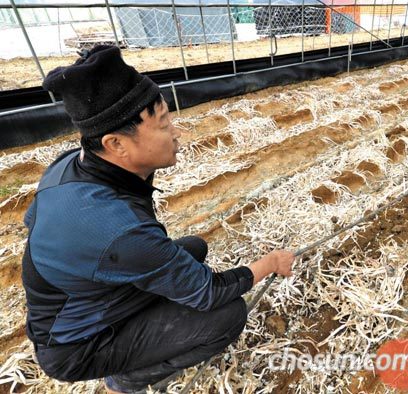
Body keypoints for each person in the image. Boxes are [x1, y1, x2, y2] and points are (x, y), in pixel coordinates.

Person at [21, 45, 295, 393]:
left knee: (193, 249)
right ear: (116, 144)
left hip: (90, 293)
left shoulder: (70, 166)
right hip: (76, 345)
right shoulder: (118, 231)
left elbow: (35, 226)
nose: (176, 132)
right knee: (227, 316)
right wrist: (270, 263)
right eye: (163, 123)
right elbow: (208, 293)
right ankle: (124, 380)